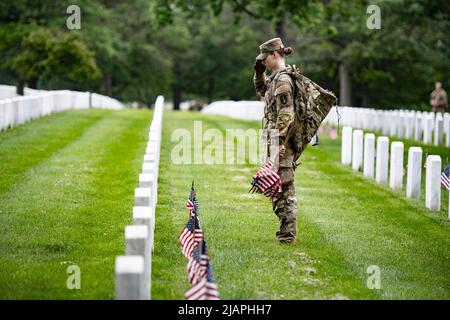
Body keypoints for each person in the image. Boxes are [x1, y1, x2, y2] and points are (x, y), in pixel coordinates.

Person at [253, 37, 297, 243]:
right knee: (277, 186)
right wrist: (259, 74)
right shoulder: (275, 78)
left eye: (265, 59)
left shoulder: (283, 81)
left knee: (284, 187)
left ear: (275, 55)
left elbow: (286, 115)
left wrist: (279, 144)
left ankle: (287, 235)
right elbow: (262, 91)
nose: (263, 62)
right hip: (274, 140)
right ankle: (284, 230)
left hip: (281, 143)